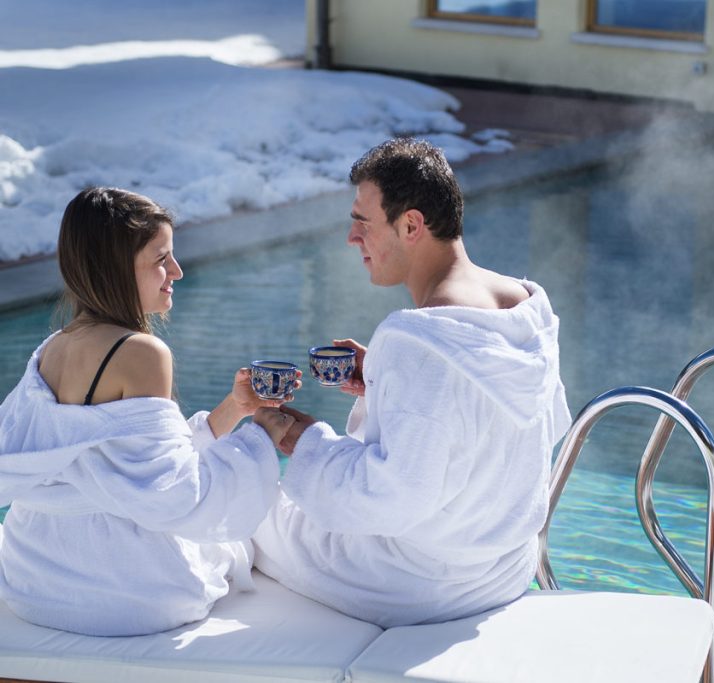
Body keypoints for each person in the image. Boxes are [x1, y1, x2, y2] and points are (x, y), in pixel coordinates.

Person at [251, 138, 572, 627]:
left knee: (248, 504)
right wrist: (384, 381)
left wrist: (303, 441)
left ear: (411, 225)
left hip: (413, 583)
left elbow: (392, 498)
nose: (351, 239)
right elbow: (543, 423)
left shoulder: (418, 341)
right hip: (501, 569)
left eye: (362, 223)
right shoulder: (525, 308)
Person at [0, 187, 299, 636]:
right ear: (117, 268)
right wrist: (258, 438)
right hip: (125, 592)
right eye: (161, 259)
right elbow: (176, 496)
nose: (176, 272)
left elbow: (130, 461)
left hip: (36, 580)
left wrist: (235, 408)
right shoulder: (141, 352)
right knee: (262, 533)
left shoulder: (51, 350)